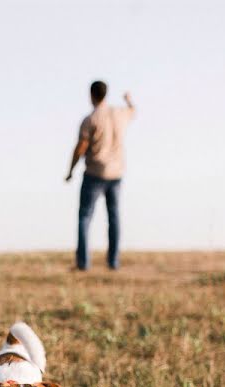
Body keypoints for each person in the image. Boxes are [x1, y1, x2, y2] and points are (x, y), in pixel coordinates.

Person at [66, 81, 135, 271]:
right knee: (114, 217)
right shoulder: (120, 114)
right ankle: (113, 262)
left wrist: (70, 170)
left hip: (95, 173)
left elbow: (81, 147)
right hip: (116, 173)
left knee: (85, 216)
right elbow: (133, 111)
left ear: (91, 95)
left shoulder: (91, 119)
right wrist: (129, 100)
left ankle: (83, 263)